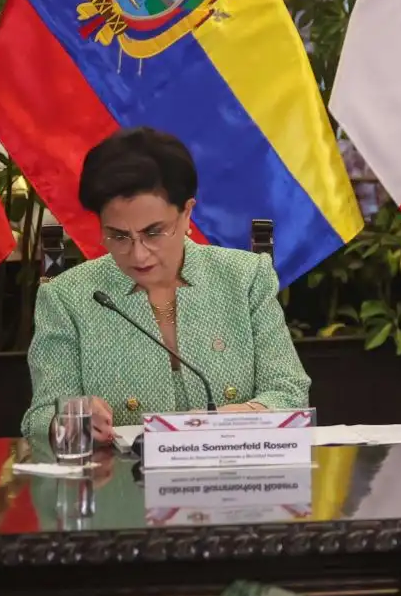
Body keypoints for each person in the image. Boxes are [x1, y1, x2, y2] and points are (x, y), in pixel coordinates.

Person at [22, 128, 310, 440]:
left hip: (231, 478)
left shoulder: (245, 277)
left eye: (154, 232)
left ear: (186, 213)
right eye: (118, 236)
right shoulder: (67, 297)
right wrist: (68, 418)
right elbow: (38, 417)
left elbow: (290, 393)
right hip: (121, 482)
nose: (138, 254)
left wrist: (230, 419)